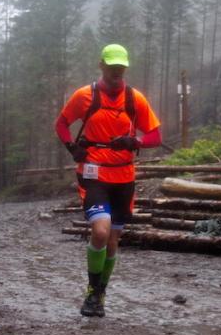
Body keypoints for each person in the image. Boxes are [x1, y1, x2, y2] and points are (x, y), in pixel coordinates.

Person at [55, 44, 162, 317]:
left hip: (124, 177)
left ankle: (100, 294)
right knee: (100, 231)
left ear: (125, 68)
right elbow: (61, 124)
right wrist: (72, 147)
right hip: (93, 173)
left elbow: (155, 136)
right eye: (112, 67)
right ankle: (91, 292)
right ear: (102, 65)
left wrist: (134, 140)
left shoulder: (134, 99)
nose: (116, 73)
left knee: (113, 239)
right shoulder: (85, 96)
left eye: (121, 68)